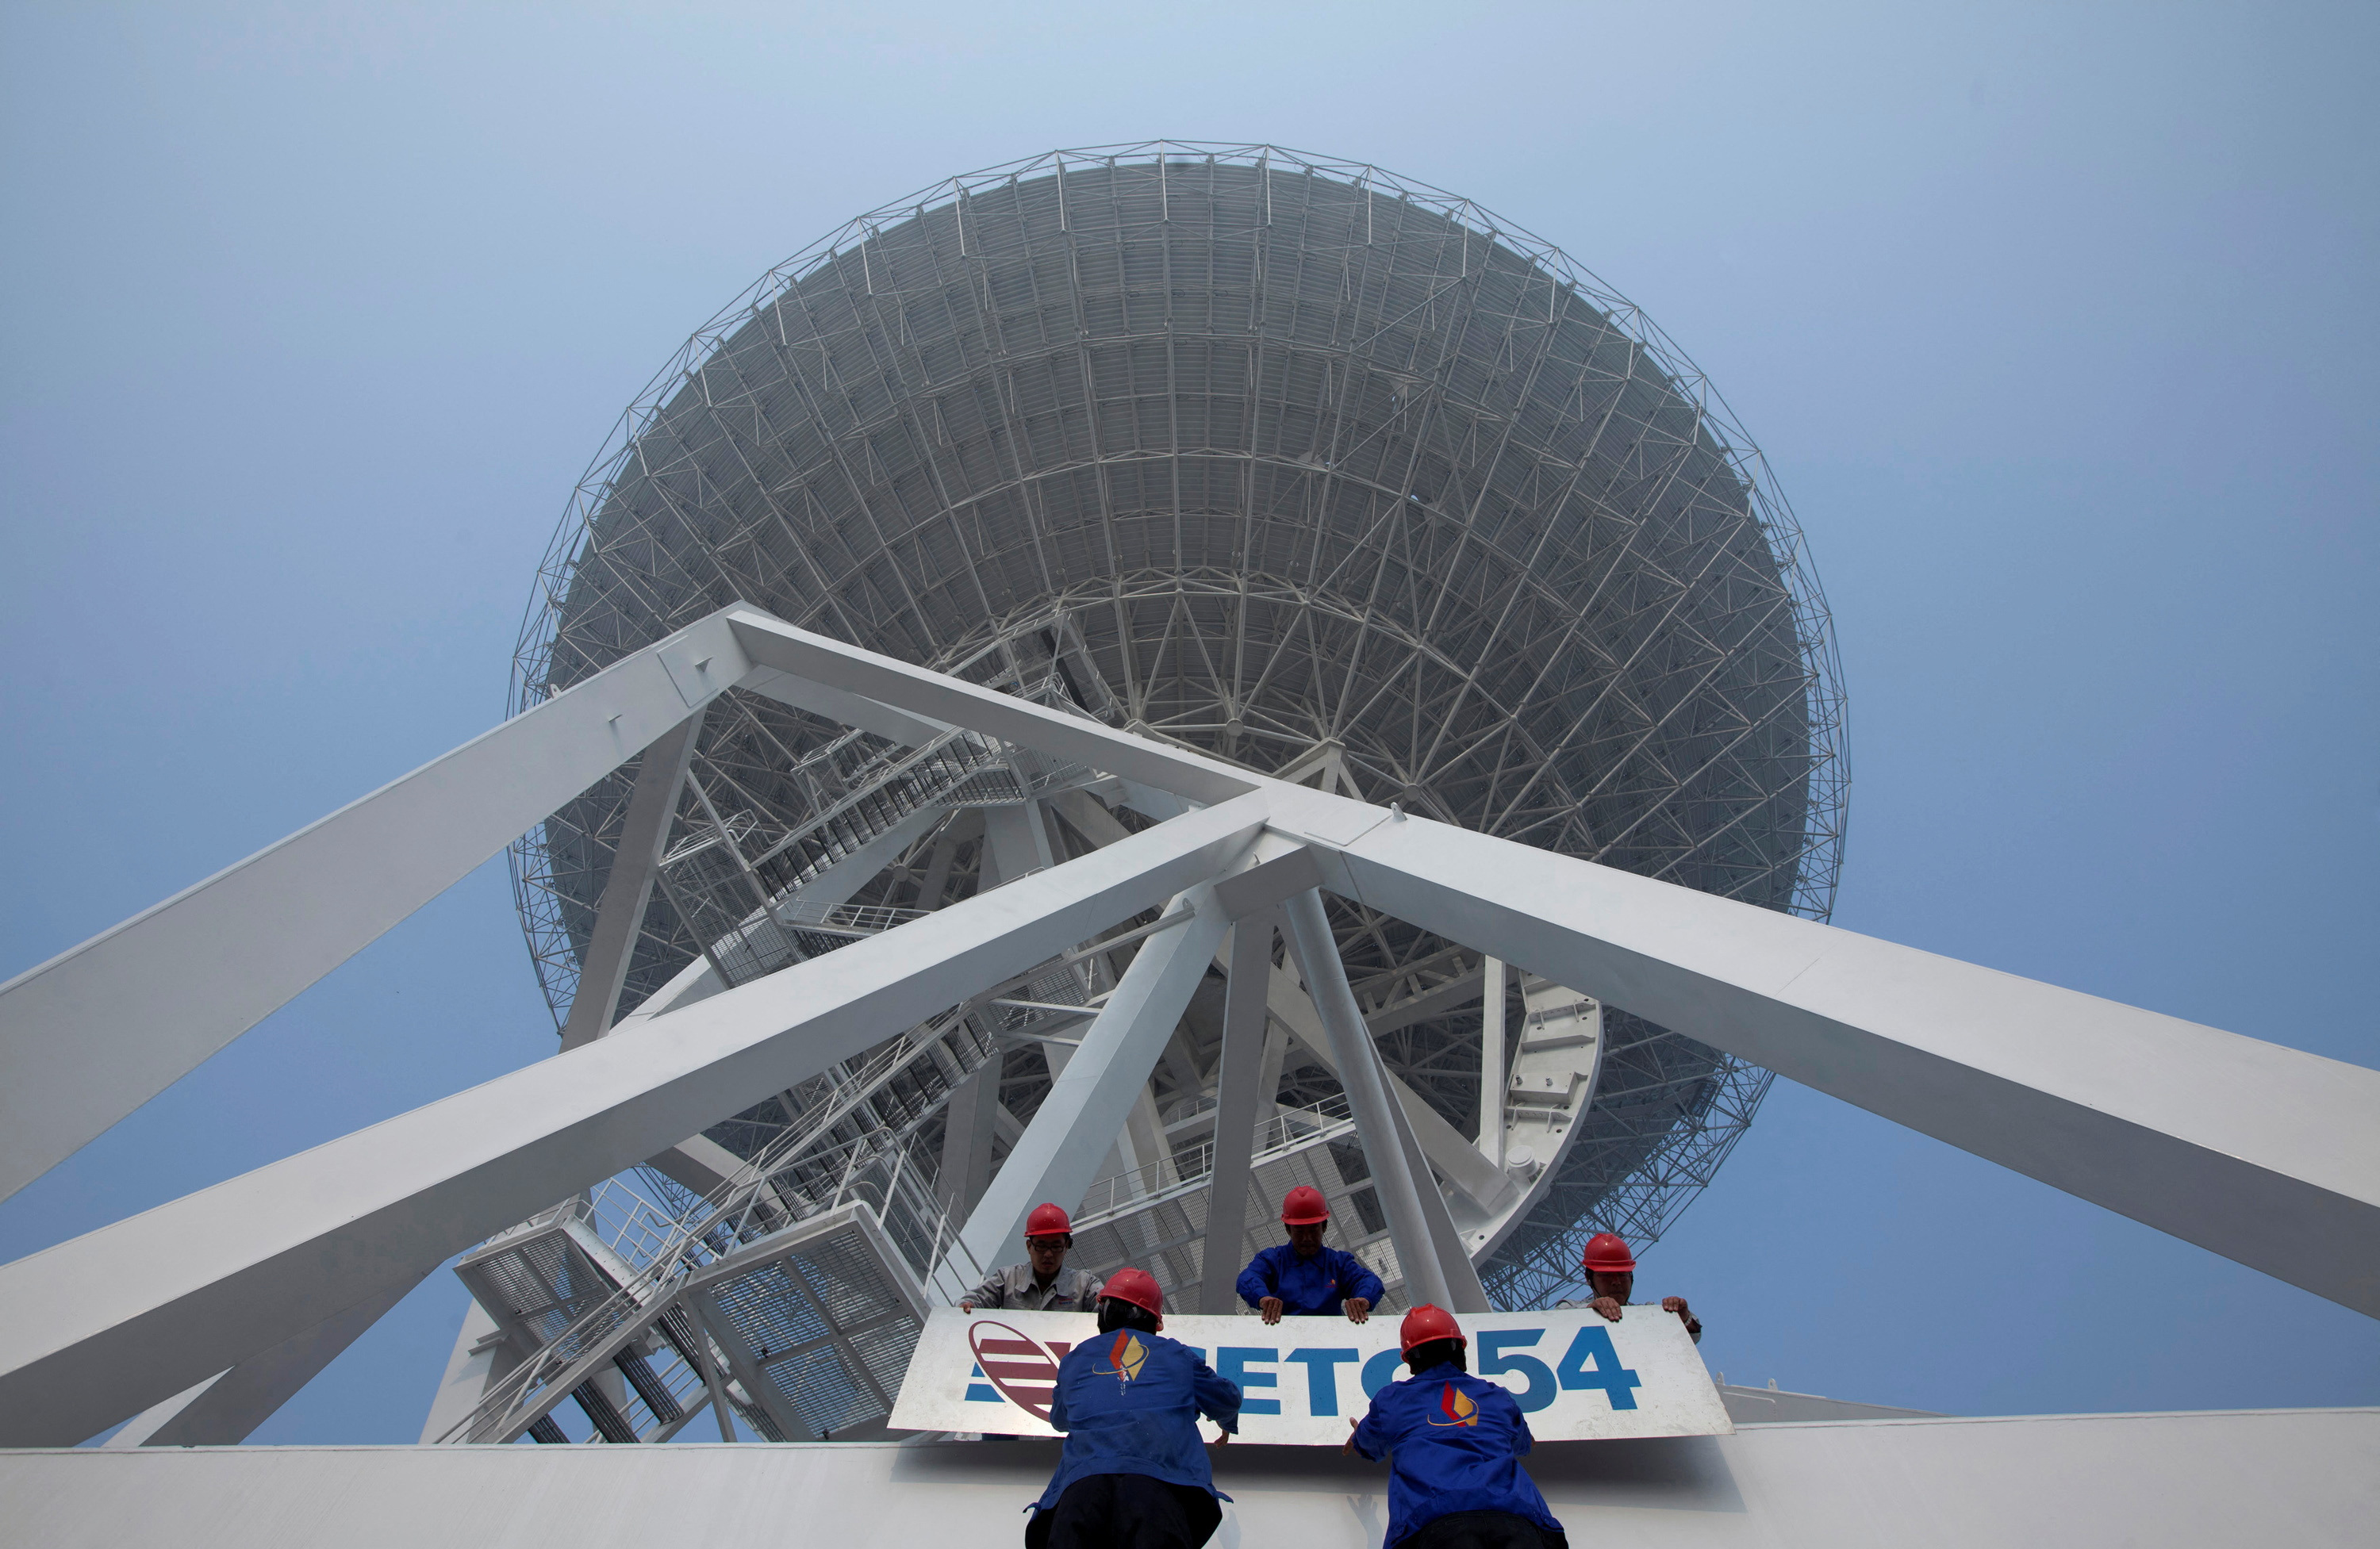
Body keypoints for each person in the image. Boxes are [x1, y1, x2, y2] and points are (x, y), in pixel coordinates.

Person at [1027, 1267, 1242, 1549]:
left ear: (1103, 1311)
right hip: (1157, 1491)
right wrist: (1225, 1422)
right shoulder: (1177, 1356)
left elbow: (1060, 1419)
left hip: (1081, 1492)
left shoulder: (1075, 1360)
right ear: (1156, 1323)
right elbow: (1227, 1399)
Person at [1343, 1305, 1569, 1549]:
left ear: (1409, 1360)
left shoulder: (1392, 1399)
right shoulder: (1497, 1396)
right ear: (1460, 1347)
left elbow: (1367, 1446)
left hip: (1437, 1523)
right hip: (1517, 1520)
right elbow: (1525, 1444)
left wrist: (1358, 1438)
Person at [1236, 1186, 1384, 1324]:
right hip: (1282, 1342)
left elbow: (1369, 1281)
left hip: (1330, 1341)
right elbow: (1247, 1278)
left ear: (1324, 1227)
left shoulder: (1338, 1263)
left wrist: (1364, 1298)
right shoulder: (1272, 1260)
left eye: (1313, 1230)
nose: (1307, 1238)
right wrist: (1263, 1298)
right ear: (1288, 1230)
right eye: (1299, 1231)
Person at [962, 1202, 1105, 1313]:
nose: (1048, 1254)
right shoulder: (1007, 1279)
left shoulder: (1085, 1284)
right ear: (1029, 1246)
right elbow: (974, 1300)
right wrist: (968, 1306)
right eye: (1041, 1246)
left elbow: (1105, 1307)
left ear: (1066, 1246)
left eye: (1056, 1246)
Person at [1564, 1233, 1700, 1343]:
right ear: (1588, 1278)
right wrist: (1590, 1311)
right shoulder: (1571, 1308)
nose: (1616, 1282)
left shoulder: (1648, 1314)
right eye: (1607, 1275)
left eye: (1623, 1274)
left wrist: (1682, 1318)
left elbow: (1692, 1338)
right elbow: (1555, 1320)